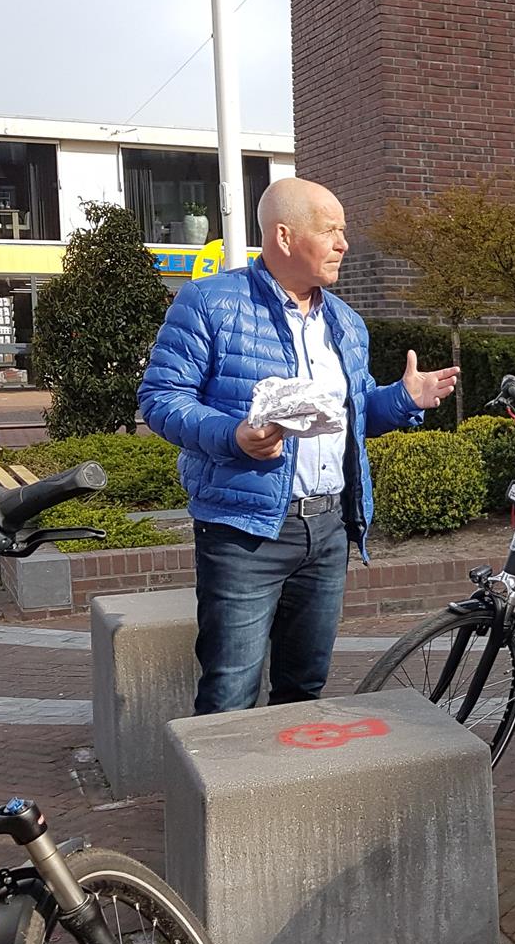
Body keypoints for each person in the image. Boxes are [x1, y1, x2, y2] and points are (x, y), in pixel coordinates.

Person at [139, 178, 460, 715]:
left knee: (306, 689)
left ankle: (287, 795)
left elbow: (352, 419)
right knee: (229, 693)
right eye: (330, 231)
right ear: (285, 237)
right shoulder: (211, 303)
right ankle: (226, 799)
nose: (343, 244)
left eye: (343, 232)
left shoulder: (346, 323)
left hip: (328, 529)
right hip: (245, 532)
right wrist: (234, 437)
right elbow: (161, 398)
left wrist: (404, 399)